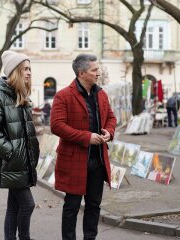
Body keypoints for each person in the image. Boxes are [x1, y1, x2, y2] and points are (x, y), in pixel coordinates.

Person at [50, 53, 117, 240]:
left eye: (98, 69)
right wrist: (86, 137)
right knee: (71, 206)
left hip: (98, 161)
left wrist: (109, 132)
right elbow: (56, 126)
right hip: (74, 162)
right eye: (94, 70)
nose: (98, 73)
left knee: (94, 206)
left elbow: (111, 118)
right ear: (81, 73)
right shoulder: (63, 95)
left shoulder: (101, 94)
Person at [0, 50, 40, 240]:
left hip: (21, 163)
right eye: (25, 69)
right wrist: (13, 153)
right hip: (13, 162)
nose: (29, 72)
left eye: (30, 68)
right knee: (27, 204)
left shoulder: (19, 95)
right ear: (14, 71)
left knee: (14, 206)